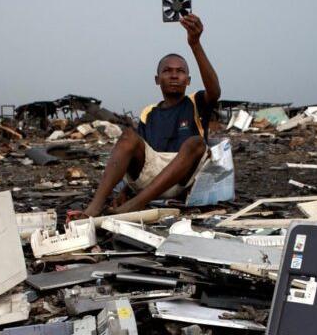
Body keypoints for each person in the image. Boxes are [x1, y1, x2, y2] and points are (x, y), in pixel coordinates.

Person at [81, 14, 221, 217]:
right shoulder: (149, 113)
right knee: (129, 136)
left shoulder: (196, 102)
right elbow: (141, 155)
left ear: (188, 80)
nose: (174, 75)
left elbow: (215, 91)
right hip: (152, 176)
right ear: (157, 79)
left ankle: (136, 205)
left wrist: (195, 43)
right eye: (167, 71)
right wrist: (124, 190)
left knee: (196, 143)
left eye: (180, 71)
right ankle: (94, 208)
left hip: (184, 178)